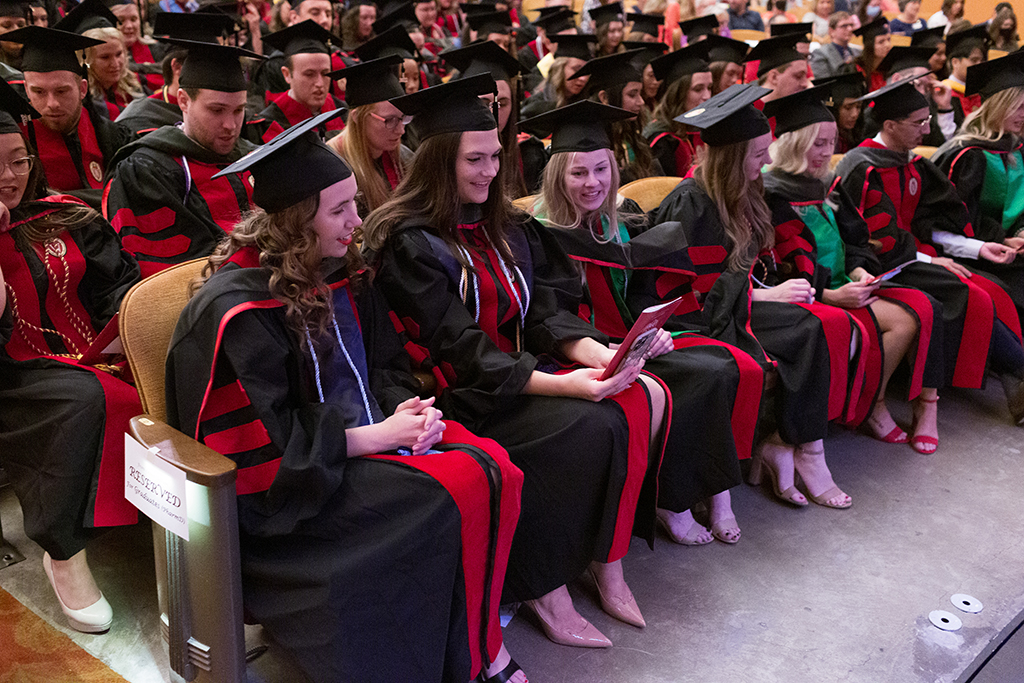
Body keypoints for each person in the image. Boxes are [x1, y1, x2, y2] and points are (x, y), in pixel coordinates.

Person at [170, 110, 526, 683]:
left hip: (367, 439)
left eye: (355, 204)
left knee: (501, 471)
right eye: (340, 210)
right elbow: (263, 451)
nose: (358, 222)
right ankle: (460, 657)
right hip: (298, 497)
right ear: (292, 222)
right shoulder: (234, 311)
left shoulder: (338, 269)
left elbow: (385, 363)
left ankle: (473, 642)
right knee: (452, 489)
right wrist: (378, 437)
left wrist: (400, 410)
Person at [364, 74, 668, 649]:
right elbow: (463, 349)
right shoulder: (409, 242)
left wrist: (600, 355)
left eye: (496, 156)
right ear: (435, 162)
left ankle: (604, 560)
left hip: (511, 375)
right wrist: (571, 388)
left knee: (630, 400)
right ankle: (539, 584)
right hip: (456, 393)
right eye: (474, 159)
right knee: (588, 424)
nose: (491, 171)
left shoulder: (501, 224)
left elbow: (543, 311)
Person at [524, 99, 764, 544]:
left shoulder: (616, 222)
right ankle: (670, 501)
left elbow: (641, 293)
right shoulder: (537, 230)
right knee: (697, 376)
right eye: (578, 173)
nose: (593, 182)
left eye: (601, 169)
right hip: (572, 351)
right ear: (559, 176)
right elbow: (546, 315)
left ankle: (711, 493)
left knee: (717, 367)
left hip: (626, 339)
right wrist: (613, 346)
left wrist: (653, 334)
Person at [652, 83, 857, 510]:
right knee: (796, 330)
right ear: (730, 157)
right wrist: (763, 299)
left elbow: (747, 270)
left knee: (814, 324)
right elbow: (692, 293)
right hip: (699, 321)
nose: (767, 161)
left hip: (736, 307)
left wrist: (767, 293)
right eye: (757, 153)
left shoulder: (745, 191)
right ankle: (772, 454)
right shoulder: (690, 203)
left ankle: (798, 447)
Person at [0, 80, 141, 635]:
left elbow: (117, 283)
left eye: (18, 161)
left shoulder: (65, 213)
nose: (9, 177)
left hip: (87, 353)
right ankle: (65, 554)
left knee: (166, 374)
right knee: (91, 399)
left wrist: (126, 327)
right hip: (13, 372)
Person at [834, 78, 1024, 424]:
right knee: (968, 294)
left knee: (990, 288)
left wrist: (978, 247)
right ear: (890, 125)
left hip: (914, 255)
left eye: (928, 119)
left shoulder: (913, 164)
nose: (928, 128)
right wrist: (931, 259)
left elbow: (928, 224)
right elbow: (870, 240)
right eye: (919, 122)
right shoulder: (862, 167)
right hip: (879, 263)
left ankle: (1016, 379)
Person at [763, 84, 942, 451]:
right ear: (794, 142)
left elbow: (856, 237)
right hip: (806, 291)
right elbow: (779, 262)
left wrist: (860, 270)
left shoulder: (826, 183)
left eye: (831, 143)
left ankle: (876, 401)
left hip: (844, 284)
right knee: (892, 320)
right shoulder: (770, 191)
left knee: (921, 309)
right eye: (818, 144)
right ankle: (864, 407)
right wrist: (829, 293)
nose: (828, 153)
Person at [104, 40, 262, 276]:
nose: (230, 125)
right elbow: (167, 270)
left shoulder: (254, 156)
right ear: (183, 101)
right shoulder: (147, 170)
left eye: (239, 110)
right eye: (216, 110)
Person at [933, 53, 1024, 317]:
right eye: (1018, 107)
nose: (1023, 115)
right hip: (977, 254)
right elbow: (953, 219)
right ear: (998, 106)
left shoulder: (1016, 148)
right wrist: (1002, 238)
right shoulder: (966, 155)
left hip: (1010, 250)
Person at [3, 26, 132, 206]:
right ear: (26, 90)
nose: (52, 103)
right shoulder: (13, 137)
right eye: (39, 92)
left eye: (62, 91)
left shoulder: (106, 132)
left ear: (82, 89)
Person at [438, 40, 538, 197]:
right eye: (484, 104)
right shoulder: (445, 158)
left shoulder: (529, 155)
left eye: (502, 104)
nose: (494, 113)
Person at [327, 55, 413, 216]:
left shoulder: (404, 157)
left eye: (403, 118)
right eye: (390, 120)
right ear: (357, 117)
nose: (401, 130)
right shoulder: (333, 166)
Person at [573, 48, 660, 182]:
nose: (641, 101)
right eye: (632, 94)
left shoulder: (632, 136)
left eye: (640, 93)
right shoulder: (589, 144)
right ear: (604, 98)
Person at [253, 21, 346, 144]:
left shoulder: (342, 110)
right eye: (309, 74)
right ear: (287, 75)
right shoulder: (270, 123)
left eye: (325, 73)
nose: (319, 83)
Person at [642, 42, 713, 176]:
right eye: (698, 89)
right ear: (678, 94)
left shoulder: (703, 130)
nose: (707, 96)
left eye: (709, 88)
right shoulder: (661, 141)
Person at [520, 33, 594, 119]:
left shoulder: (589, 105)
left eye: (587, 71)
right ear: (560, 68)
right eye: (576, 69)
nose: (583, 78)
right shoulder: (536, 110)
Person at [108, 0, 163, 93]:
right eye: (121, 21)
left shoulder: (156, 49)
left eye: (134, 19)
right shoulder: (105, 57)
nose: (129, 26)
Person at [942, 23, 988, 117]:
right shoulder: (943, 92)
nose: (979, 65)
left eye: (981, 61)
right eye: (974, 60)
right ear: (955, 62)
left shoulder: (983, 94)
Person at [818, 71, 866, 151]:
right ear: (834, 109)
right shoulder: (826, 141)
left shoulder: (858, 133)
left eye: (858, 107)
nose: (855, 114)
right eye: (848, 108)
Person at [810, 12, 858, 80]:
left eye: (851, 25)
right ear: (831, 31)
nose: (850, 29)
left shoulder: (858, 52)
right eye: (844, 26)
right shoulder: (820, 53)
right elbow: (824, 82)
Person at [853, 15, 891, 92]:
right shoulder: (857, 70)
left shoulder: (891, 68)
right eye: (881, 42)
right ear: (869, 46)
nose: (887, 45)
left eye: (889, 39)